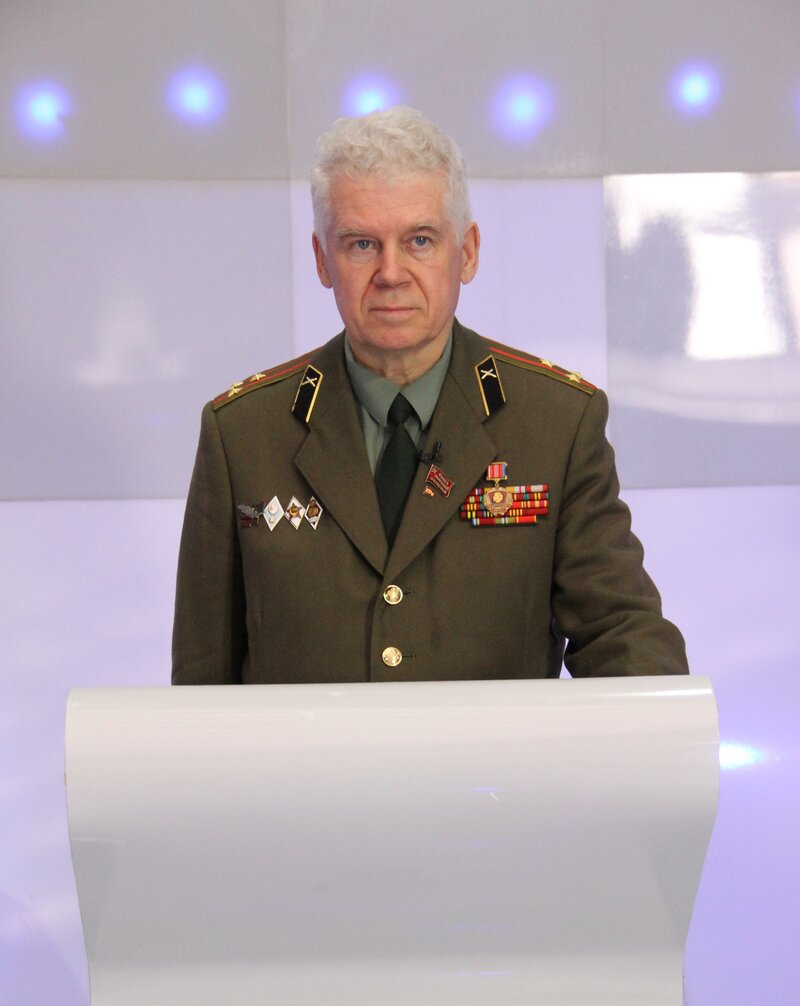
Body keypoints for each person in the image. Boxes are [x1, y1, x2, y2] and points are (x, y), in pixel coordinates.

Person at [172, 106, 687, 684]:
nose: (391, 272)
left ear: (466, 252)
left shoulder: (557, 425)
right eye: (361, 244)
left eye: (419, 240)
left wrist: (665, 724)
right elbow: (201, 681)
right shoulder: (243, 435)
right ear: (322, 260)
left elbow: (622, 635)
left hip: (492, 751)